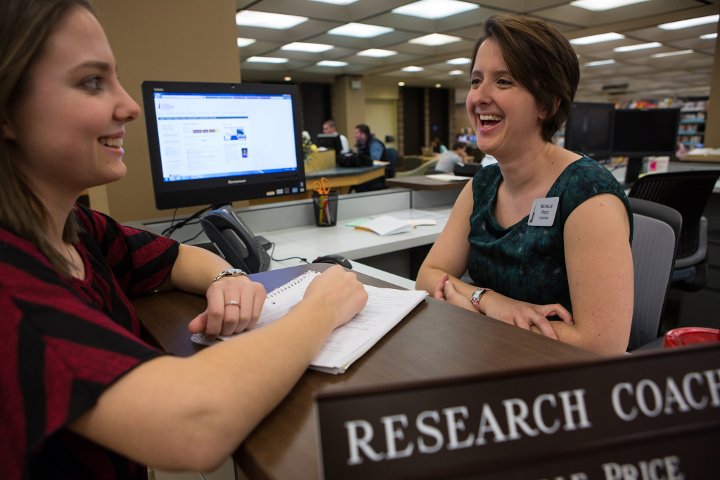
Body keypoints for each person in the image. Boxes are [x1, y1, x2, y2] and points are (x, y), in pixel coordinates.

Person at [0, 1, 368, 478]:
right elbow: (193, 426)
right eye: (92, 82)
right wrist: (322, 309)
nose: (129, 106)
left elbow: (171, 256)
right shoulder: (12, 286)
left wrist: (227, 275)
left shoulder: (77, 230)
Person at [415, 15, 634, 356]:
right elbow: (428, 276)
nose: (479, 97)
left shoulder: (587, 194)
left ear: (547, 104)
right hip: (490, 360)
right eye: (476, 80)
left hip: (562, 385)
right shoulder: (482, 185)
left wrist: (477, 310)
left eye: (503, 81)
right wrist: (489, 301)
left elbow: (603, 344)